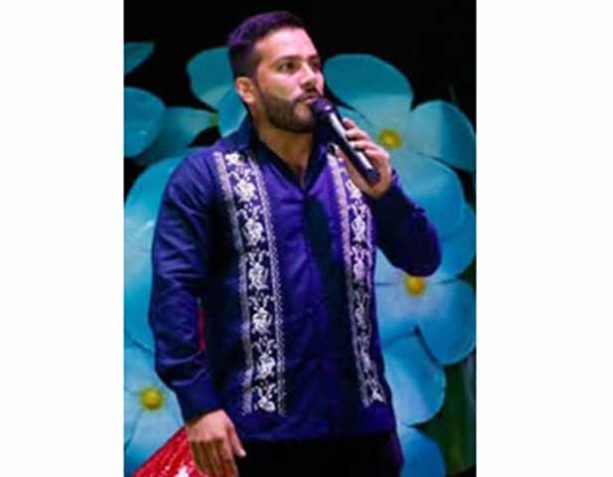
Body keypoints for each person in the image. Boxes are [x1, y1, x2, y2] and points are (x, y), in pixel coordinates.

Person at [149, 10, 441, 477]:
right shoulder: (205, 176)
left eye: (314, 64)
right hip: (260, 440)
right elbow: (173, 295)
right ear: (248, 90)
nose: (310, 79)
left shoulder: (356, 167)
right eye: (288, 67)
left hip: (365, 435)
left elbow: (423, 259)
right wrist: (198, 406)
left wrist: (387, 196)